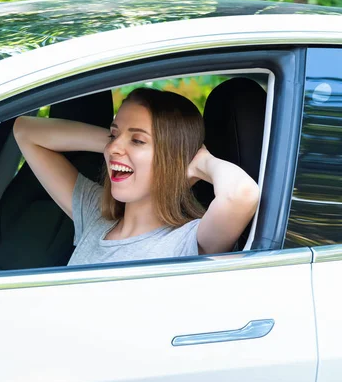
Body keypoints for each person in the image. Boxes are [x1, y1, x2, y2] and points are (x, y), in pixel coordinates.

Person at [13, 87, 260, 266]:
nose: (113, 149)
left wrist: (200, 162)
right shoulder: (95, 216)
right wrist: (118, 144)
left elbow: (242, 194)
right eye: (113, 135)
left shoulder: (187, 242)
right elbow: (25, 130)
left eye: (139, 139)